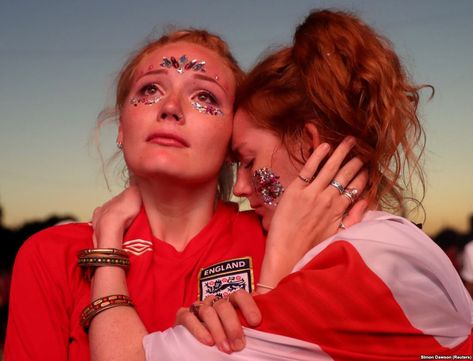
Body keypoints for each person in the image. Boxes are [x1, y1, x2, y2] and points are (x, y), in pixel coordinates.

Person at [88, 9, 473, 361]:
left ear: (308, 145)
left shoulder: (352, 271)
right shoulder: (386, 243)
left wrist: (107, 248)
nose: (239, 188)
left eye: (250, 161)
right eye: (150, 90)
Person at [4, 28, 360, 360]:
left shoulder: (284, 231)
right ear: (120, 128)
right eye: (149, 90)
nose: (170, 108)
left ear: (231, 138)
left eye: (204, 96)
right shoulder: (52, 254)